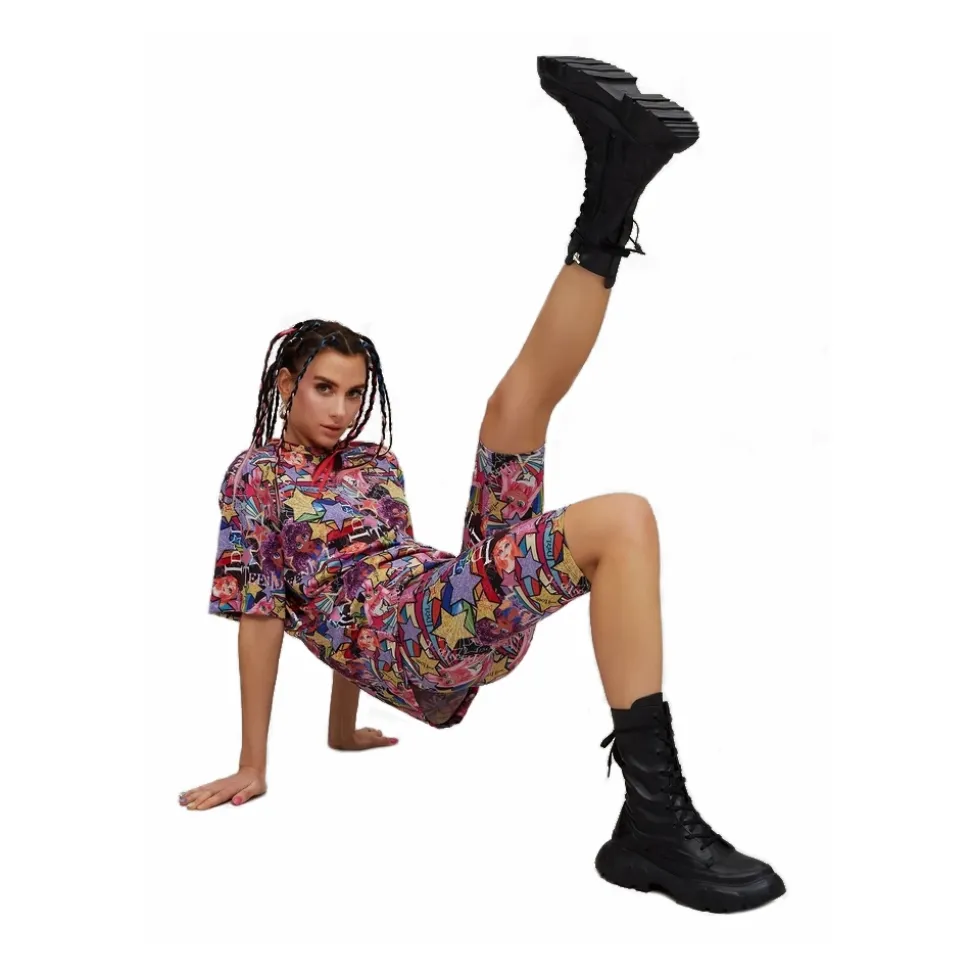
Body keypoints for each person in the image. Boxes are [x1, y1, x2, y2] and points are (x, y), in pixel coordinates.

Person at [180, 55, 786, 914]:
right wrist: (254, 761)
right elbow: (266, 610)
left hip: (441, 605)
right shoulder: (255, 478)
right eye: (324, 389)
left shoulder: (374, 465)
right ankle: (653, 820)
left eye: (354, 393)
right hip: (424, 637)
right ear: (286, 385)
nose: (342, 410)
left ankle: (612, 188)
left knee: (514, 406)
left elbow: (359, 581)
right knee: (623, 522)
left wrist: (342, 726)